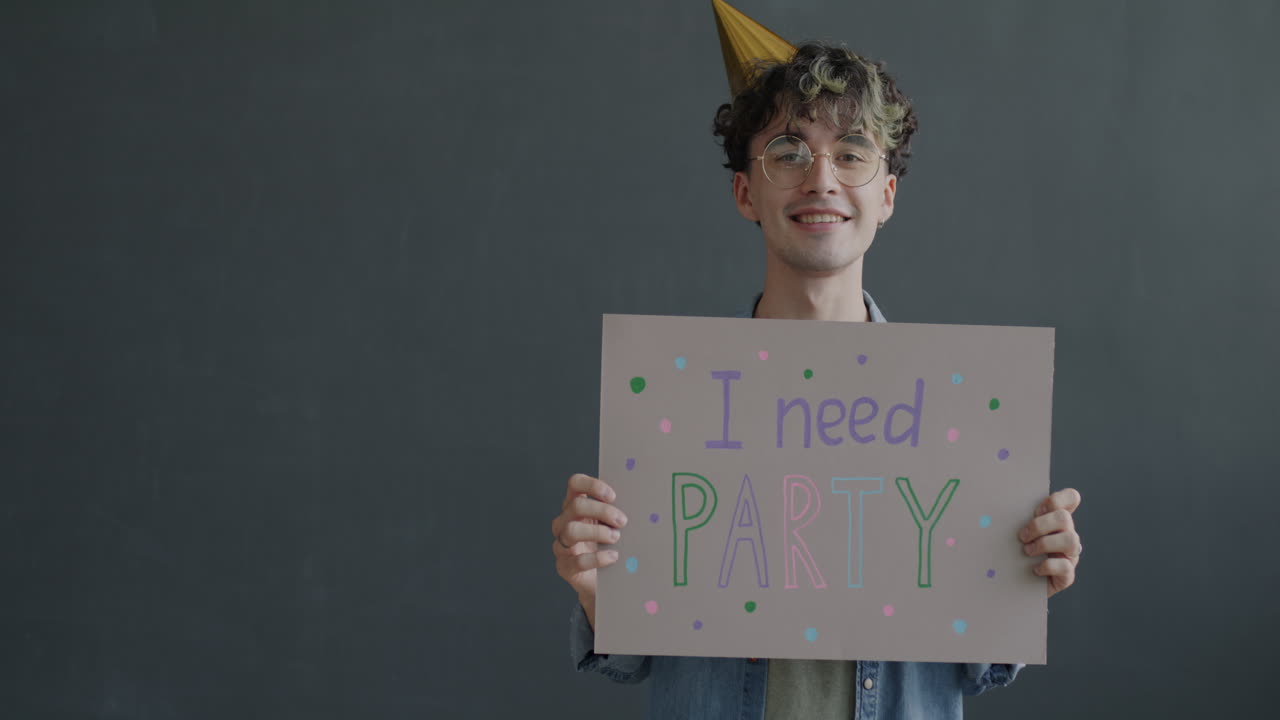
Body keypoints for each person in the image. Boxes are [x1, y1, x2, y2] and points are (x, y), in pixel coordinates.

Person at [550, 3, 1082, 718]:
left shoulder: (963, 410)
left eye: (852, 153)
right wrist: (595, 585)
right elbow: (635, 653)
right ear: (746, 192)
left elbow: (982, 665)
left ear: (885, 194)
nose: (821, 179)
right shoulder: (677, 404)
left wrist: (1024, 575)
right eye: (789, 153)